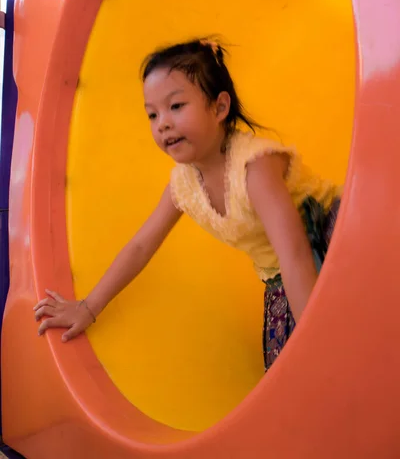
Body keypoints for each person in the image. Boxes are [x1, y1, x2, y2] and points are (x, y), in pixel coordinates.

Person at [34, 38, 341, 371]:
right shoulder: (183, 186)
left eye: (176, 106)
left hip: (337, 235)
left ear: (220, 108)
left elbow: (295, 252)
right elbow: (140, 246)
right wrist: (88, 307)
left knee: (327, 346)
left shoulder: (255, 167)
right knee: (288, 375)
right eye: (152, 114)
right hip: (281, 274)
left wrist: (315, 336)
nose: (162, 122)